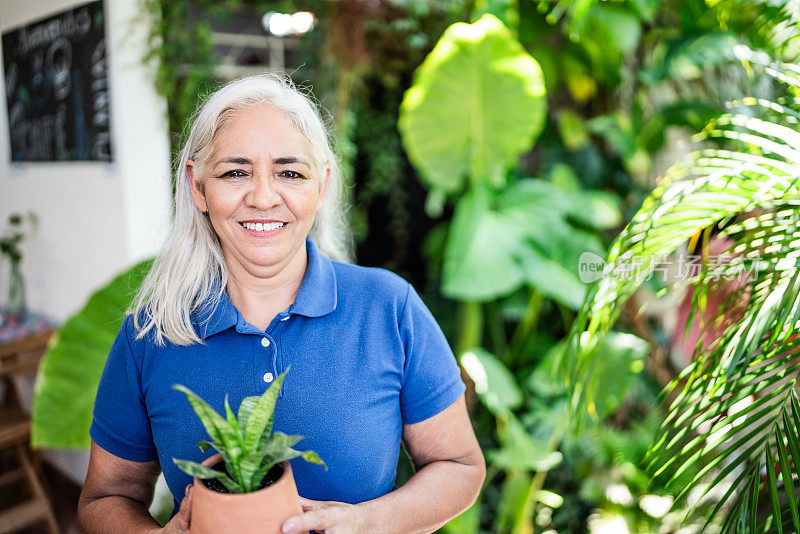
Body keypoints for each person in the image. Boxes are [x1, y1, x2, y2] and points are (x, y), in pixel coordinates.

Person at [78, 73, 485, 534]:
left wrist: (365, 521)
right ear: (198, 187)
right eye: (236, 172)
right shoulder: (151, 333)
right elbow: (105, 498)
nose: (264, 197)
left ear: (322, 185)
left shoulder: (389, 308)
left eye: (290, 173)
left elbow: (459, 466)